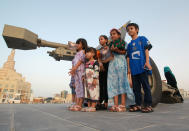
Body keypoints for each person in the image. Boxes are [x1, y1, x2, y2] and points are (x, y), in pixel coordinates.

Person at [126, 23, 153, 113]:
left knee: (146, 86)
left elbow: (146, 50)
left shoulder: (142, 39)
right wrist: (129, 68)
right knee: (136, 89)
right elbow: (128, 57)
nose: (130, 30)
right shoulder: (129, 45)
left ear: (137, 29)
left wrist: (147, 62)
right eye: (128, 30)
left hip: (142, 67)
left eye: (131, 28)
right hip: (134, 70)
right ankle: (138, 105)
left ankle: (148, 105)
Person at [108, 28, 135, 112]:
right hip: (112, 64)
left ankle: (123, 104)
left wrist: (117, 50)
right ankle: (115, 104)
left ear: (119, 35)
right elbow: (111, 55)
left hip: (121, 63)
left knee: (122, 82)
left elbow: (125, 53)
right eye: (111, 34)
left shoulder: (124, 43)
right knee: (113, 83)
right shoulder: (110, 44)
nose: (112, 35)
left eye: (114, 34)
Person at [69, 38, 88, 111]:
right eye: (76, 43)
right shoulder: (76, 53)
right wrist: (73, 71)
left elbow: (81, 61)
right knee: (77, 88)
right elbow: (73, 62)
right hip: (76, 72)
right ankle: (76, 103)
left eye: (79, 43)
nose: (77, 45)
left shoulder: (83, 52)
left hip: (81, 71)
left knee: (81, 87)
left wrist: (74, 68)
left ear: (83, 45)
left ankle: (80, 104)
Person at [82, 47, 100, 112]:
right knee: (88, 93)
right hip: (87, 81)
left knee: (93, 92)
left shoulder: (95, 62)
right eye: (85, 52)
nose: (86, 54)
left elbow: (97, 70)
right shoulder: (87, 63)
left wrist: (95, 79)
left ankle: (93, 106)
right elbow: (85, 71)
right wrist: (83, 77)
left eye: (88, 52)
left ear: (93, 54)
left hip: (92, 81)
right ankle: (89, 106)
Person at [97, 35, 113, 110]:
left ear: (106, 40)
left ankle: (106, 102)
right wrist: (101, 65)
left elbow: (112, 56)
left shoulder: (110, 47)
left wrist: (104, 62)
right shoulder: (99, 49)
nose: (100, 40)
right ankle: (100, 102)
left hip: (108, 65)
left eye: (101, 39)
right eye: (99, 39)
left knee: (106, 84)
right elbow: (99, 58)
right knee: (101, 84)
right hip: (101, 67)